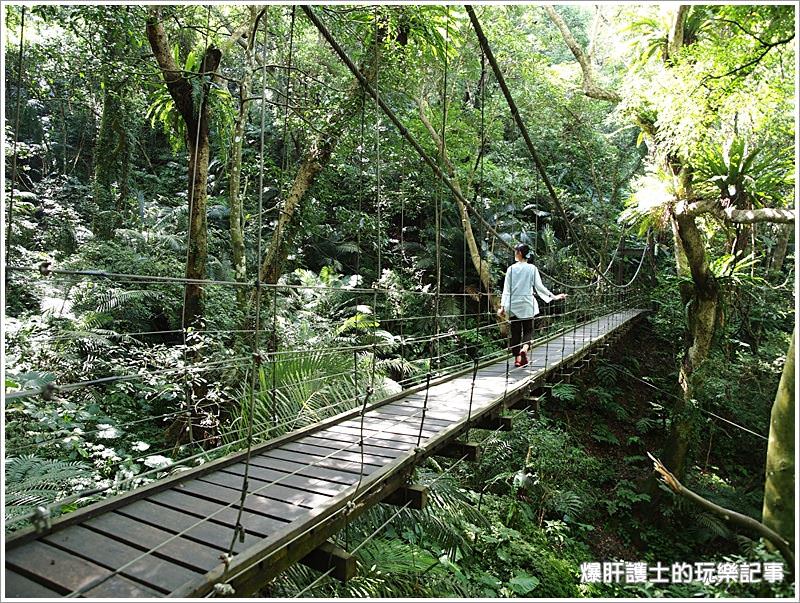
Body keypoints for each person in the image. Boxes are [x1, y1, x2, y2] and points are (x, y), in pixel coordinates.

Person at [497, 243, 567, 367]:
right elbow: (539, 287)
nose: (514, 254)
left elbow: (506, 289)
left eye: (515, 251)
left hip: (513, 304)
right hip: (527, 303)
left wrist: (502, 306)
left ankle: (517, 359)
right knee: (528, 330)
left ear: (519, 253)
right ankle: (524, 349)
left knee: (515, 332)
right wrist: (554, 297)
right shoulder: (532, 268)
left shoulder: (511, 269)